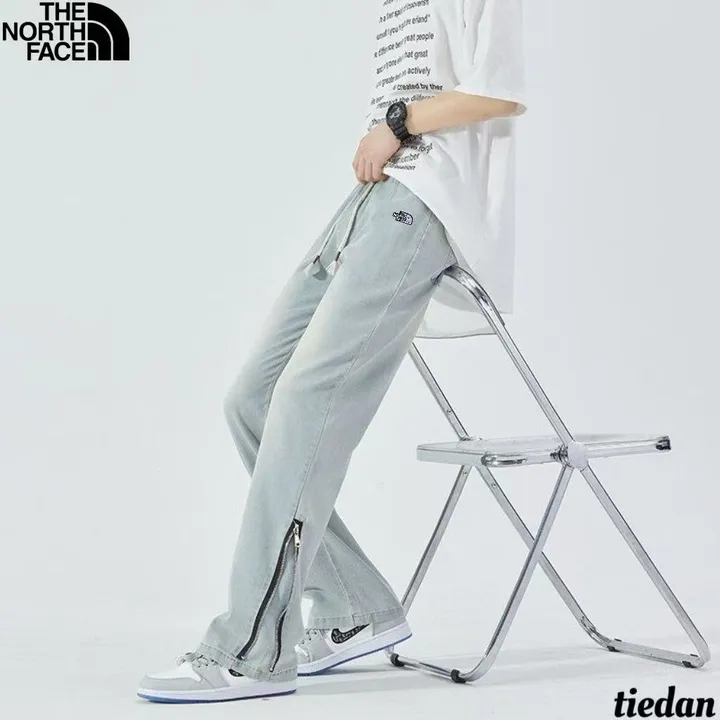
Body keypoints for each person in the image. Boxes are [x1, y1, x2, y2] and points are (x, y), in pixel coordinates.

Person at [137, 0, 527, 703]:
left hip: (421, 206)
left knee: (303, 398)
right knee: (253, 399)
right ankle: (353, 608)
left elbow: (500, 92)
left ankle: (251, 651)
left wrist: (398, 124)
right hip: (370, 202)